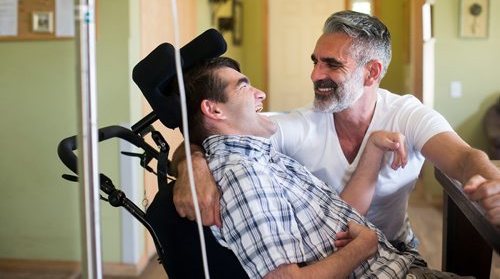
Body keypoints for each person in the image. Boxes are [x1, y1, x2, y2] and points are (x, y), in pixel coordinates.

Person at [173, 10, 500, 254]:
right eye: (315, 61)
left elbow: (465, 158)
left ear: (371, 72)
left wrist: (492, 182)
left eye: (332, 64)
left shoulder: (407, 115)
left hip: (395, 249)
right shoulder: (301, 124)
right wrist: (192, 164)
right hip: (325, 257)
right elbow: (215, 133)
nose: (315, 75)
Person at [180, 56, 453, 279]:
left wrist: (372, 148)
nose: (261, 94)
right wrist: (363, 247)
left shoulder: (263, 156)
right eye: (243, 87)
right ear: (214, 111)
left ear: (372, 72)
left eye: (333, 64)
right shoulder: (244, 174)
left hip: (396, 262)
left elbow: (335, 227)